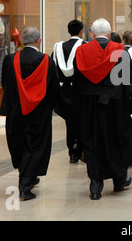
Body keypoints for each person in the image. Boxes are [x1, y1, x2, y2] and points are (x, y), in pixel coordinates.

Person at [73, 18, 132, 200]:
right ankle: (119, 180)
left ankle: (95, 185)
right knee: (116, 140)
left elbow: (77, 82)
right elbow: (130, 83)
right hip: (115, 106)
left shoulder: (81, 51)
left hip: (89, 106)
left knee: (92, 142)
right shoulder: (121, 52)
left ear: (92, 34)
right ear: (110, 34)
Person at [0, 27, 60, 201]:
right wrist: (53, 106)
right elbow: (53, 88)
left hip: (15, 112)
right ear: (39, 40)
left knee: (19, 144)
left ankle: (30, 176)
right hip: (38, 114)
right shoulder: (46, 61)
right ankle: (25, 186)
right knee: (35, 146)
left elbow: (5, 84)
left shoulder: (10, 60)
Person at [52, 20, 85, 163]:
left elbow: (52, 69)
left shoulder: (58, 47)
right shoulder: (84, 47)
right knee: (80, 121)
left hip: (62, 91)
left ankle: (71, 150)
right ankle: (79, 148)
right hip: (78, 91)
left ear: (68, 31)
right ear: (81, 31)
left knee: (69, 122)